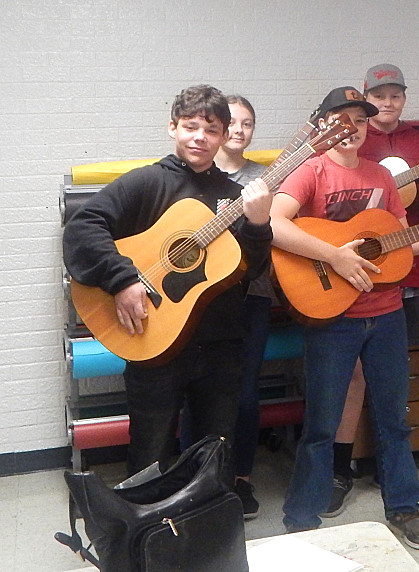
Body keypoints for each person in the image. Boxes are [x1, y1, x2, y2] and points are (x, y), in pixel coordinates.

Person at [271, 86, 419, 549]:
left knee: (394, 418)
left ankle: (404, 506)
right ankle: (301, 518)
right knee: (322, 422)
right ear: (325, 124)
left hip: (385, 314)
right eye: (342, 119)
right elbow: (274, 223)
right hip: (333, 317)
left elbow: (403, 240)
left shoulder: (383, 179)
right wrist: (336, 256)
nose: (351, 128)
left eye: (360, 121)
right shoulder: (310, 172)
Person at [63, 85, 273, 477]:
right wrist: (123, 280)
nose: (200, 137)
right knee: (150, 450)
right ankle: (145, 532)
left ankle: (205, 528)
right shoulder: (144, 183)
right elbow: (84, 227)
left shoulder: (236, 196)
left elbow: (253, 269)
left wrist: (259, 224)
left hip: (221, 345)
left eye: (211, 130)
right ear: (172, 128)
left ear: (224, 136)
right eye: (191, 127)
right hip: (154, 339)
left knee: (215, 452)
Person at [324, 63, 419, 517]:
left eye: (395, 95)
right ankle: (341, 469)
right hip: (341, 289)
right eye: (378, 96)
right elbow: (286, 224)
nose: (387, 103)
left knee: (391, 382)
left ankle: (394, 478)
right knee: (351, 383)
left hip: (404, 273)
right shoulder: (321, 166)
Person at [180, 95, 273, 518]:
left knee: (245, 393)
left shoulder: (261, 179)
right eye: (230, 123)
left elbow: (268, 234)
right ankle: (187, 482)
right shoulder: (191, 176)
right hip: (194, 302)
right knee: (190, 395)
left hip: (247, 298)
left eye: (247, 123)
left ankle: (240, 479)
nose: (238, 130)